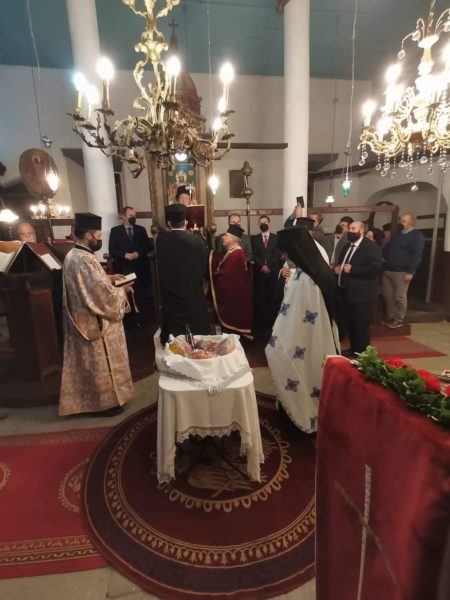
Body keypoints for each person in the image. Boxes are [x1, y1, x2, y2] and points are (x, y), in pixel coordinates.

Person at [265, 225, 340, 432]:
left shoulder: (308, 279)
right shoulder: (311, 271)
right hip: (311, 336)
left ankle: (302, 414)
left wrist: (278, 338)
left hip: (305, 338)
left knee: (299, 369)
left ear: (296, 249)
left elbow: (297, 316)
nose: (285, 256)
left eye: (286, 252)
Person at [59, 212, 134, 417]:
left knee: (88, 364)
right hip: (95, 322)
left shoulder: (74, 255)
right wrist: (122, 290)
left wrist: (110, 278)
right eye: (99, 235)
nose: (100, 239)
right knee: (100, 364)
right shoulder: (84, 260)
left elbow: (89, 284)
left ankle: (93, 401)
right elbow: (100, 295)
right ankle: (107, 403)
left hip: (83, 319)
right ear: (89, 235)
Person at [156, 203, 210, 344]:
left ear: (169, 223)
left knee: (173, 333)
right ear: (185, 222)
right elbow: (203, 265)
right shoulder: (197, 241)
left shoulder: (161, 241)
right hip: (192, 295)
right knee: (197, 332)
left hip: (171, 297)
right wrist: (196, 234)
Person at [334, 220, 382, 355]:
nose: (350, 231)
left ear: (361, 231)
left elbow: (375, 267)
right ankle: (354, 348)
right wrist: (338, 269)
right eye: (349, 228)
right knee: (351, 323)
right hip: (347, 292)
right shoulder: (347, 246)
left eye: (353, 229)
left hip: (362, 293)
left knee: (361, 324)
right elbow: (342, 264)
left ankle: (363, 352)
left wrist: (353, 270)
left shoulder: (370, 246)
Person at [109, 206, 152, 327]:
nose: (133, 217)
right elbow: (112, 249)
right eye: (130, 215)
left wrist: (137, 253)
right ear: (123, 217)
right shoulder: (115, 231)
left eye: (134, 215)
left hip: (140, 268)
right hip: (124, 268)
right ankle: (130, 322)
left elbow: (147, 246)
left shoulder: (141, 230)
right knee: (127, 295)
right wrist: (125, 255)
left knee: (141, 295)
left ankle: (144, 321)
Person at [381, 213, 425, 329]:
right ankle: (391, 317)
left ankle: (399, 319)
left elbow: (417, 254)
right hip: (388, 269)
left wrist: (410, 271)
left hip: (402, 271)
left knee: (399, 297)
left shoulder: (416, 235)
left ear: (411, 222)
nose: (401, 223)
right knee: (388, 296)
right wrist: (383, 257)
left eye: (404, 221)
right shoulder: (398, 234)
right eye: (401, 220)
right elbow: (389, 248)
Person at [210, 223, 252, 339]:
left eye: (226, 235)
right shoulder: (233, 252)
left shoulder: (236, 255)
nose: (223, 237)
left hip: (233, 300)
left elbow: (226, 277)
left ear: (233, 239)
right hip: (235, 298)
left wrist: (215, 274)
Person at [252, 215, 282, 330]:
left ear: (269, 223)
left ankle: (273, 323)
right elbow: (255, 254)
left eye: (265, 222)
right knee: (261, 298)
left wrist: (269, 266)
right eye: (261, 222)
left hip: (273, 272)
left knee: (273, 297)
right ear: (259, 225)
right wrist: (262, 266)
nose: (263, 224)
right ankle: (262, 325)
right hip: (260, 273)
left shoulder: (276, 238)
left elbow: (277, 254)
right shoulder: (255, 239)